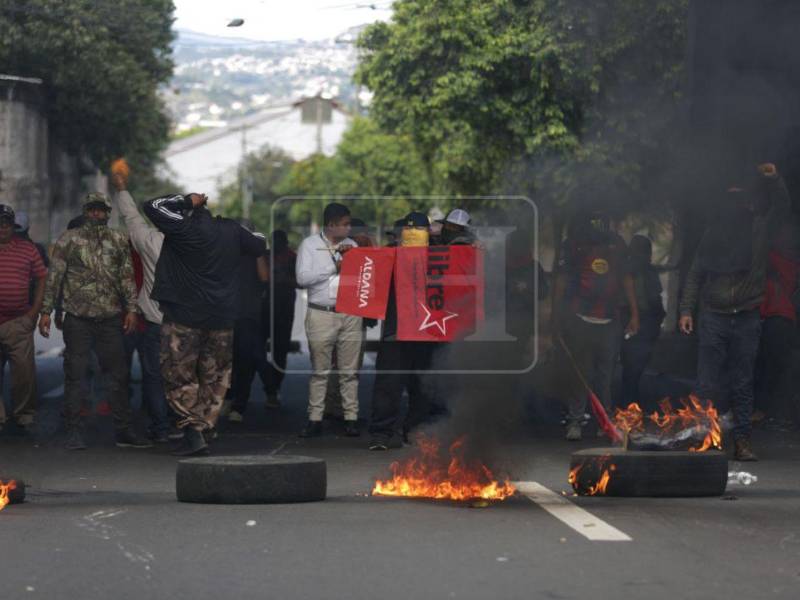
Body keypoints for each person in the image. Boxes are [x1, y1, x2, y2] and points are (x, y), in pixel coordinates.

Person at [679, 163, 790, 461]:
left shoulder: (758, 231)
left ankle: (741, 442)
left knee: (743, 382)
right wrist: (686, 310)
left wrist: (775, 180)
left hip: (746, 316)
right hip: (713, 315)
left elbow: (782, 207)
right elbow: (695, 274)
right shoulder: (712, 234)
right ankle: (703, 439)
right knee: (706, 383)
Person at [143, 192, 265, 456]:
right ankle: (204, 428)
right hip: (221, 319)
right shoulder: (231, 230)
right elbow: (259, 245)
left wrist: (186, 200)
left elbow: (152, 205)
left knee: (179, 376)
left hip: (183, 319)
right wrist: (239, 229)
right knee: (216, 377)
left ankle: (193, 431)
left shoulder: (181, 228)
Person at [39, 193, 149, 450]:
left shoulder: (119, 239)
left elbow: (126, 277)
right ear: (86, 211)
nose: (97, 214)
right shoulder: (69, 239)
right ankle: (73, 431)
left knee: (118, 375)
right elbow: (55, 277)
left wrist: (132, 309)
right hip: (78, 318)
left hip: (110, 318)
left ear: (108, 213)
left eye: (101, 210)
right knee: (75, 375)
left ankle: (123, 429)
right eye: (92, 210)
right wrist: (46, 311)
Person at [553, 208, 639, 441]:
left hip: (610, 321)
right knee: (579, 374)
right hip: (579, 318)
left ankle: (605, 423)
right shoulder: (572, 244)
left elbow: (627, 278)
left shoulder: (617, 244)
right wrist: (556, 315)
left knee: (606, 376)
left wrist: (634, 313)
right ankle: (575, 421)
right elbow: (561, 280)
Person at [112, 172, 175, 442]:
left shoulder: (151, 241)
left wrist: (122, 188)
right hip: (188, 323)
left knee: (153, 376)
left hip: (155, 320)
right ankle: (193, 425)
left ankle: (161, 428)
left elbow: (132, 217)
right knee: (183, 375)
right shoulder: (196, 243)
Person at [368, 211, 436, 450]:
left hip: (426, 330)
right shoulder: (388, 256)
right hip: (395, 330)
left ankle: (414, 429)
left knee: (422, 385)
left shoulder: (440, 256)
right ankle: (382, 432)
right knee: (388, 383)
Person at [295, 202, 363, 438]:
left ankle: (351, 418)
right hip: (320, 313)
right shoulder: (310, 245)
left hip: (350, 313)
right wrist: (334, 266)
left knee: (349, 371)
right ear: (331, 225)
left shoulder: (352, 245)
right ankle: (315, 419)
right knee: (320, 371)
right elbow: (302, 279)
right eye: (345, 224)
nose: (348, 228)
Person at [0, 205, 47, 434]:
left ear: (12, 226)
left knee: (24, 373)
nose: (2, 229)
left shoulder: (28, 250)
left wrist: (34, 313)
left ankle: (23, 413)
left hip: (19, 321)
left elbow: (41, 279)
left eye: (6, 224)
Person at [754, 218, 800, 427]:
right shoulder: (790, 264)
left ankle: (762, 409)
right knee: (771, 367)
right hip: (780, 319)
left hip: (775, 319)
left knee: (764, 366)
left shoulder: (772, 259)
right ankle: (767, 410)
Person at [227, 221, 269, 422]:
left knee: (245, 360)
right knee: (225, 360)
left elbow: (264, 277)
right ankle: (228, 397)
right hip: (227, 313)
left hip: (248, 314)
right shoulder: (225, 250)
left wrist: (257, 251)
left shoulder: (256, 251)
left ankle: (238, 404)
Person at [617, 235, 666, 407]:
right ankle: (627, 404)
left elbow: (655, 299)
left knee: (635, 365)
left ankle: (630, 403)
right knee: (632, 365)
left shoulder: (648, 270)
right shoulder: (628, 270)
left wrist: (657, 319)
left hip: (646, 320)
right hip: (633, 320)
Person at [263, 229, 297, 410]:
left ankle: (273, 389)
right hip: (264, 308)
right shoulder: (264, 256)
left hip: (283, 309)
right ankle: (270, 388)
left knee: (280, 351)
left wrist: (284, 279)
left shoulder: (292, 257)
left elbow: (300, 281)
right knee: (257, 352)